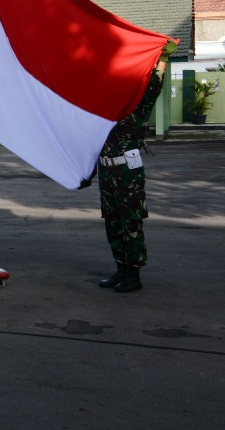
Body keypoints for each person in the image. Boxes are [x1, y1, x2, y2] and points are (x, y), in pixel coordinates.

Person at [90, 41, 172, 294]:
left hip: (128, 172)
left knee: (131, 221)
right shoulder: (103, 113)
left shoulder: (137, 109)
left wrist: (163, 59)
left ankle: (133, 272)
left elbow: (153, 87)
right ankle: (120, 268)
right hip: (107, 170)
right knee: (113, 221)